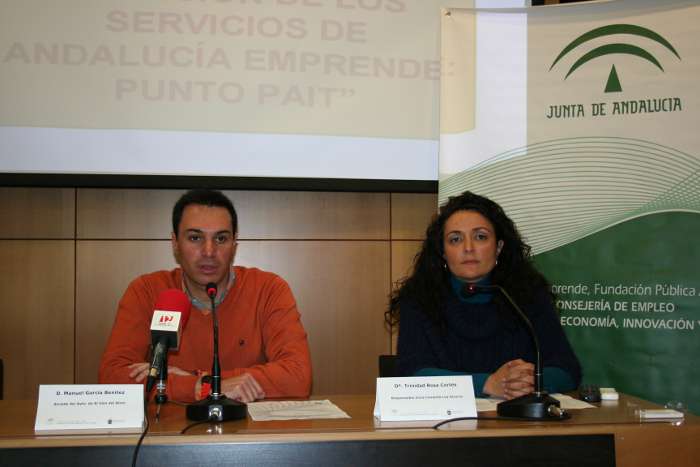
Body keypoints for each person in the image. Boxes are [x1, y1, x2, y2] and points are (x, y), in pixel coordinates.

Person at [99, 189, 312, 403]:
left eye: (221, 238)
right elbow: (112, 378)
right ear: (175, 243)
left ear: (234, 244)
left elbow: (298, 376)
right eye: (195, 238)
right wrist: (198, 386)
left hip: (244, 424)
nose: (209, 251)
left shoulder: (268, 289)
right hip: (170, 425)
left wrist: (199, 381)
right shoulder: (146, 291)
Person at [386, 191, 581, 399]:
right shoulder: (419, 298)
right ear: (443, 251)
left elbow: (567, 369)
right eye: (455, 239)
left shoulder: (529, 295)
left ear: (498, 247)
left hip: (516, 418)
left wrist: (531, 380)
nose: (468, 248)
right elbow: (410, 374)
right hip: (445, 419)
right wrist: (486, 383)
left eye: (480, 237)